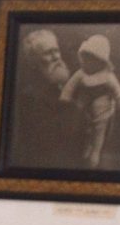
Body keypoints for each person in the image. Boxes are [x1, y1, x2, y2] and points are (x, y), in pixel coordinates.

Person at [7, 28, 82, 170]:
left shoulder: (67, 85)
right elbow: (51, 143)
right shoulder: (30, 96)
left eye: (56, 50)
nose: (56, 57)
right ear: (33, 62)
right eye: (48, 53)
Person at [59, 34, 120, 169]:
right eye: (84, 59)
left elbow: (117, 90)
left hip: (102, 108)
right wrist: (65, 97)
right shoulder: (81, 73)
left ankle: (95, 152)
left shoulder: (108, 76)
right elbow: (70, 86)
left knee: (98, 130)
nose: (86, 63)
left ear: (100, 61)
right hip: (83, 105)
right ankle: (85, 147)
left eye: (90, 59)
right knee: (82, 124)